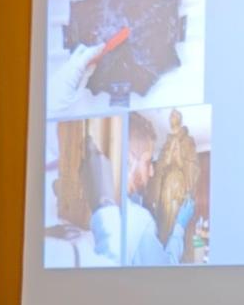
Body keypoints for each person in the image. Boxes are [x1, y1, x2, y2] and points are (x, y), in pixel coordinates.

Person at [83, 112, 194, 266]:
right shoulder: (140, 220)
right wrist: (179, 228)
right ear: (129, 161)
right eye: (148, 162)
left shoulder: (91, 202)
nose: (151, 172)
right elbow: (165, 272)